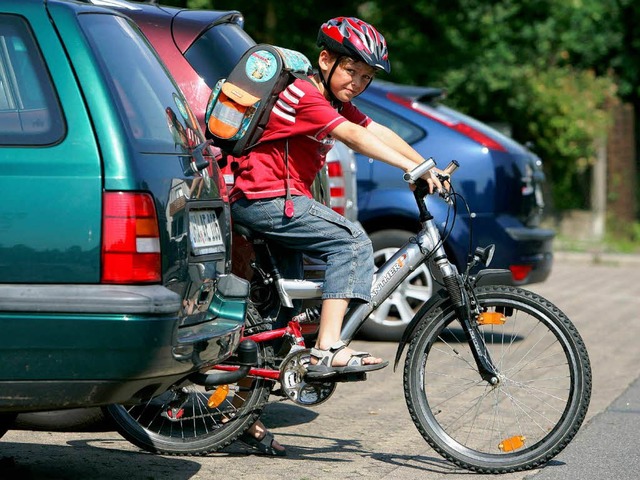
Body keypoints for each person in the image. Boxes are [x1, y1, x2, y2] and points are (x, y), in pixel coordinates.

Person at [231, 16, 448, 456]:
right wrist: (409, 169)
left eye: (367, 77)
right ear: (325, 59)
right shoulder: (303, 95)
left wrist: (426, 162)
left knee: (274, 322)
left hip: (279, 199)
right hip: (265, 198)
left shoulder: (327, 94)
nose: (359, 83)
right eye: (352, 71)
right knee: (350, 240)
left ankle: (240, 419)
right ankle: (328, 347)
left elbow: (373, 129)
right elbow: (350, 135)